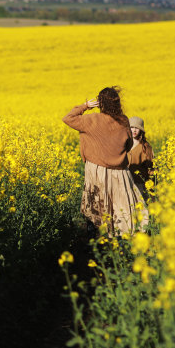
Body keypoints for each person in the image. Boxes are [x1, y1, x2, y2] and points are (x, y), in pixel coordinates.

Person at [62, 86, 148, 237]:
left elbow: (68, 118)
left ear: (100, 103)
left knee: (95, 206)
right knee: (121, 207)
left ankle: (95, 242)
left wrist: (85, 106)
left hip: (95, 170)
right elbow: (128, 145)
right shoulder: (123, 121)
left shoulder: (91, 119)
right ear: (118, 103)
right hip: (120, 172)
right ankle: (123, 241)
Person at [127, 116, 154, 201]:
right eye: (132, 127)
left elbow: (151, 169)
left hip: (140, 185)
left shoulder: (146, 147)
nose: (134, 130)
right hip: (125, 184)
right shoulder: (123, 144)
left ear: (141, 130)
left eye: (137, 128)